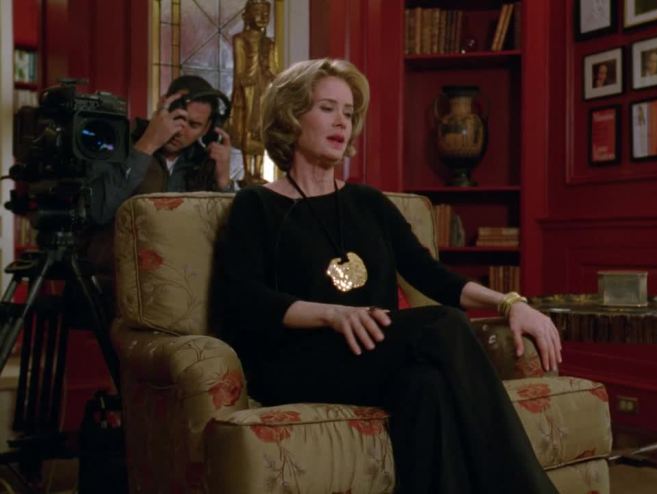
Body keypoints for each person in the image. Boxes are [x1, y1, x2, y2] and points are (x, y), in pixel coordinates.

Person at [220, 58, 562, 493]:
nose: (342, 122)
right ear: (291, 117)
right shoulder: (255, 206)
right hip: (297, 360)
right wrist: (332, 314)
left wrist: (511, 303)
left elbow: (432, 275)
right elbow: (244, 299)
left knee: (427, 386)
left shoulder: (369, 203)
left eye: (348, 113)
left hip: (373, 353)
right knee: (442, 323)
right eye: (327, 108)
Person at [85, 74, 234, 314]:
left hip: (179, 289)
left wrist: (223, 181)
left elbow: (226, 237)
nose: (180, 131)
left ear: (207, 130)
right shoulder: (119, 140)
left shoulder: (205, 163)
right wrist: (147, 145)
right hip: (112, 286)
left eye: (194, 125)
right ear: (163, 105)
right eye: (178, 119)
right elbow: (98, 210)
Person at [227, 0, 278, 185]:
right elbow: (240, 71)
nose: (263, 17)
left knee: (262, 127)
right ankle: (248, 171)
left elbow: (273, 70)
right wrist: (239, 92)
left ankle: (258, 171)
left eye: (266, 13)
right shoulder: (240, 39)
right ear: (246, 15)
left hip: (264, 89)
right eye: (258, 12)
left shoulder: (269, 43)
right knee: (248, 126)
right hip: (247, 90)